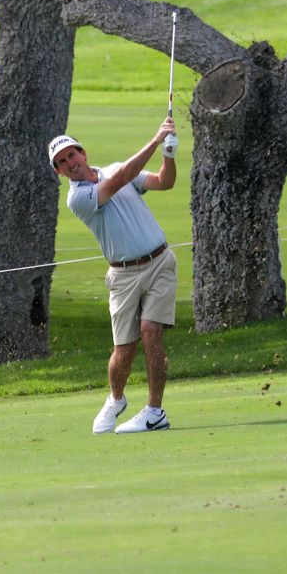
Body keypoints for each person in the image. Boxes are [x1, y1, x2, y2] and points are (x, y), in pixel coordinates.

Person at [49, 117, 178, 434]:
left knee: (150, 331)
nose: (70, 163)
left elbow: (164, 182)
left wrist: (169, 154)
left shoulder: (117, 169)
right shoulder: (78, 198)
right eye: (62, 162)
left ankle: (154, 412)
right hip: (123, 276)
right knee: (125, 348)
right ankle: (117, 399)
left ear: (83, 153)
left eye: (72, 154)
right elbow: (122, 178)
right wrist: (156, 139)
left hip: (159, 262)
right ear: (59, 172)